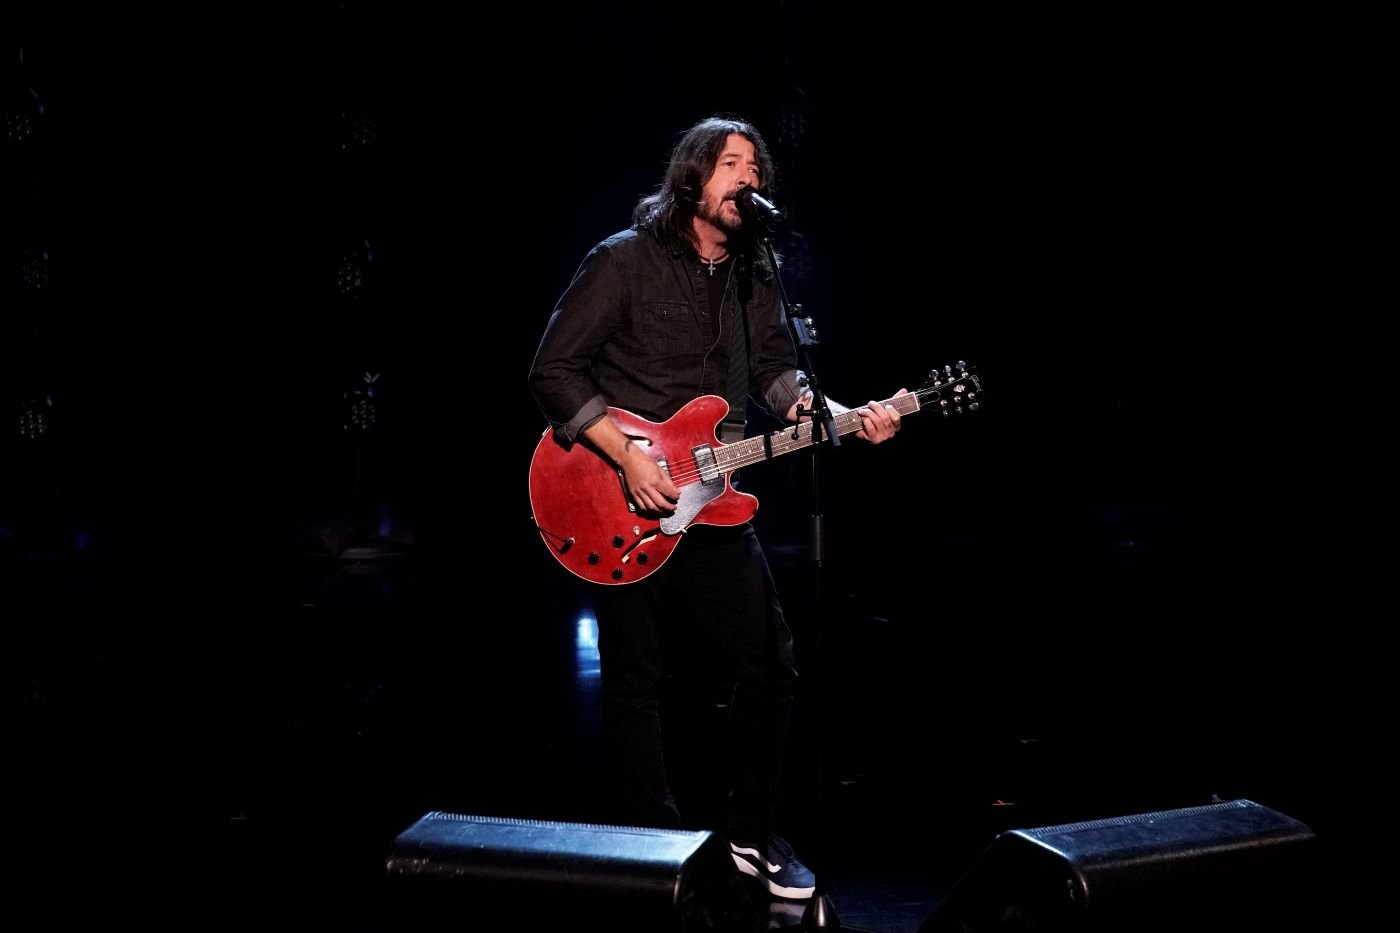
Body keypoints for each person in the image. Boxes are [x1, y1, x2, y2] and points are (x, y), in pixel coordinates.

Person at [527, 115, 905, 901]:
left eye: (757, 168)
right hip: (619, 496)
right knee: (636, 679)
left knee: (771, 663)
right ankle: (653, 849)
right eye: (732, 163)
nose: (749, 178)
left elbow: (774, 374)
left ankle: (751, 833)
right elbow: (553, 369)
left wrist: (827, 410)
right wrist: (627, 455)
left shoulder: (753, 275)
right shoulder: (622, 262)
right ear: (693, 176)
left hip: (713, 497)